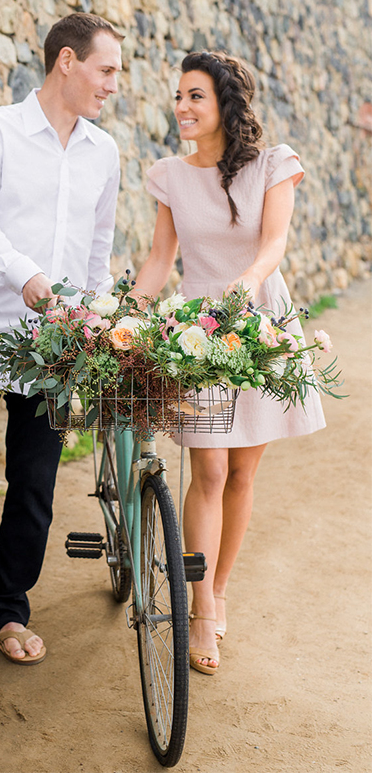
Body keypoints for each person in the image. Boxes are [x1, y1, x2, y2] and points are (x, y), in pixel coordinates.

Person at [0, 14, 124, 664]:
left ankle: (7, 611)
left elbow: (98, 253)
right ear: (66, 61)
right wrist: (27, 276)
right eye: (106, 69)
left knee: (34, 487)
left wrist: (95, 320)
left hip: (58, 350)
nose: (112, 84)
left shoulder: (105, 153)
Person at [134, 51, 325, 675]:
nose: (182, 107)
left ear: (225, 106)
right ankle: (200, 613)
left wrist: (245, 284)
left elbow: (274, 242)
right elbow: (161, 263)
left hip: (259, 322)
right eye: (180, 95)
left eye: (196, 97)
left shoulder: (273, 165)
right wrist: (120, 314)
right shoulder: (169, 175)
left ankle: (217, 590)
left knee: (242, 473)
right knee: (208, 469)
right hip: (195, 332)